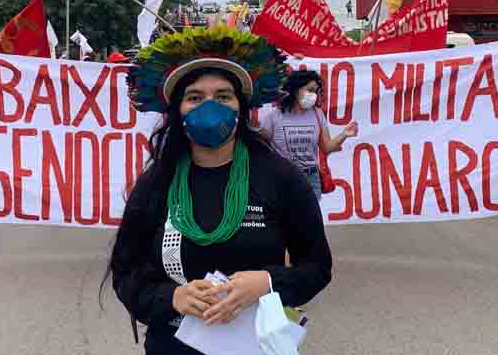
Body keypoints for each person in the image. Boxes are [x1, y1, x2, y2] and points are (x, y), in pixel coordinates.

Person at [105, 26, 332, 354]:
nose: (209, 107)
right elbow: (126, 273)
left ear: (241, 107)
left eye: (223, 96)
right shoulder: (156, 185)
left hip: (256, 345)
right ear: (177, 111)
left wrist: (266, 283)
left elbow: (316, 267)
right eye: (195, 97)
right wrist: (173, 298)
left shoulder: (280, 178)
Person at [259, 70, 358, 201]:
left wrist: (344, 134)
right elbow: (261, 147)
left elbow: (326, 147)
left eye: (316, 91)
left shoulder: (317, 114)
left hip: (311, 178)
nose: (314, 95)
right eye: (310, 90)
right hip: (283, 178)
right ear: (295, 90)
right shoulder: (274, 116)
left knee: (310, 220)